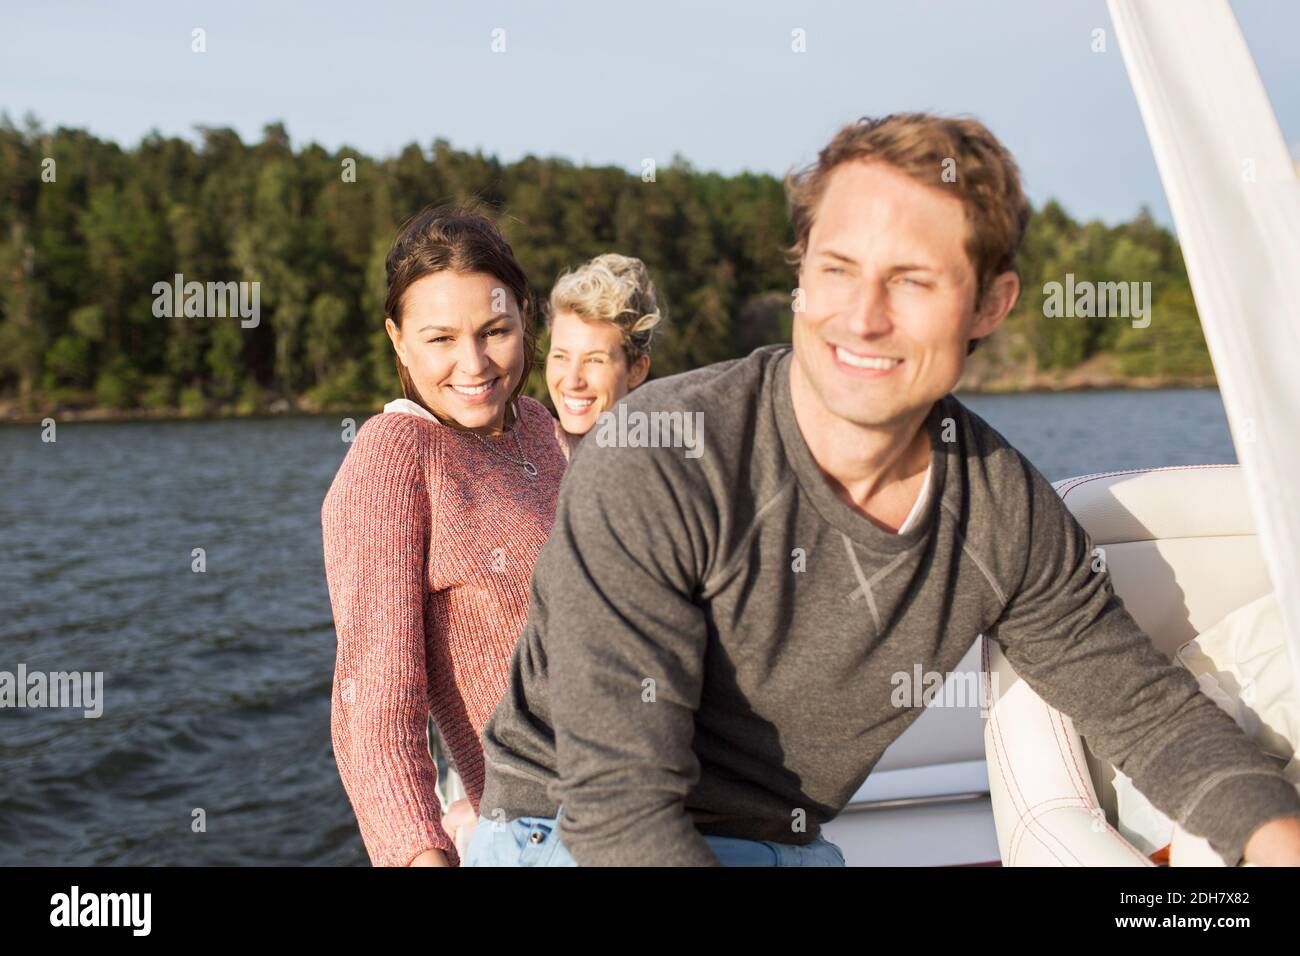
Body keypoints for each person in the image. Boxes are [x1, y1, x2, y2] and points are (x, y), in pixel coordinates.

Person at [467, 113, 1300, 866]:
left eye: (912, 280)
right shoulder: (657, 457)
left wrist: (1275, 836)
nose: (862, 318)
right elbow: (620, 815)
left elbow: (1145, 712)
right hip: (567, 834)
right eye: (837, 269)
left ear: (991, 304)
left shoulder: (1001, 509)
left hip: (777, 843)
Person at [322, 204, 567, 867]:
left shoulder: (541, 427)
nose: (474, 363)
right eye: (440, 339)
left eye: (495, 330)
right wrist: (420, 853)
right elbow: (373, 706)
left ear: (524, 316)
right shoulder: (393, 456)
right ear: (397, 340)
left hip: (658, 806)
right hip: (545, 835)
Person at [545, 253, 662, 460]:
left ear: (636, 370)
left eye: (594, 360)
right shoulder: (530, 450)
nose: (572, 381)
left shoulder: (653, 467)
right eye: (561, 356)